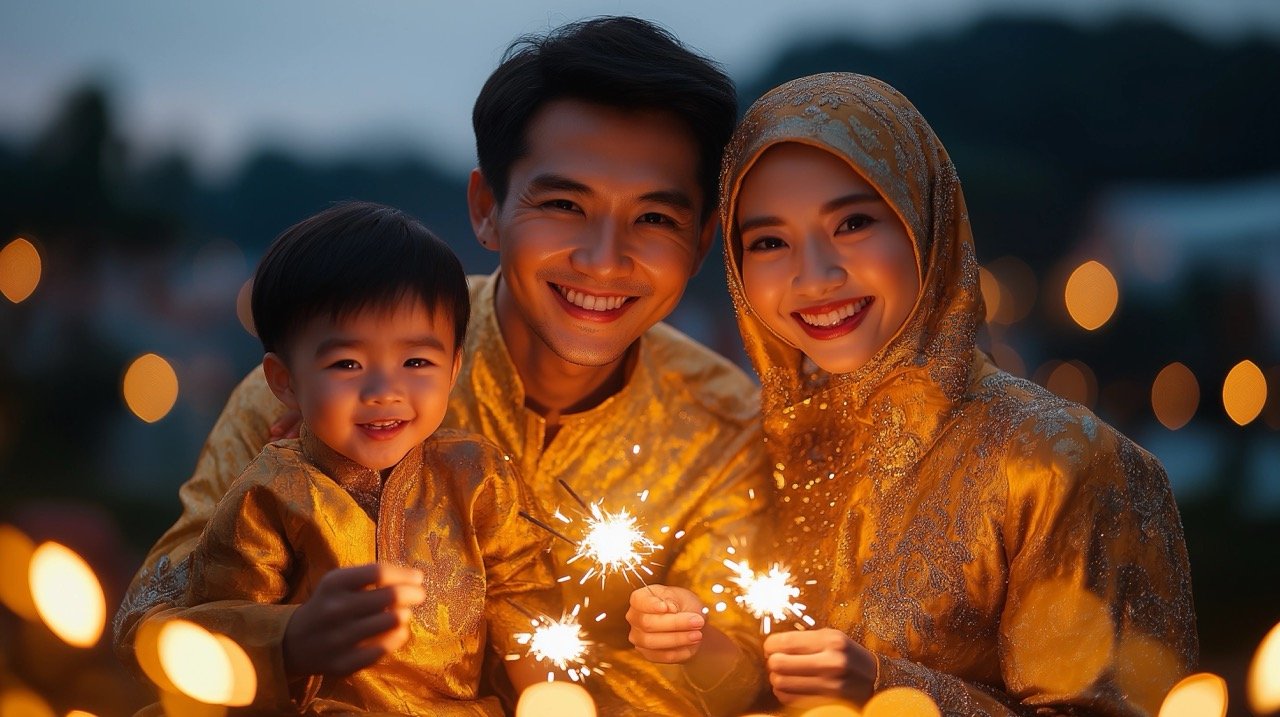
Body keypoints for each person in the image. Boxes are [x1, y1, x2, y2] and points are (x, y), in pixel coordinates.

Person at [114, 17, 769, 716]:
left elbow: (730, 675)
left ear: (703, 240)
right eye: (564, 204)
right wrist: (288, 637)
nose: (604, 257)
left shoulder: (723, 423)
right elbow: (146, 630)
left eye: (654, 219)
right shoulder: (332, 380)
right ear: (487, 210)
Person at [631, 72, 1197, 715]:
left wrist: (885, 687)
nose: (814, 275)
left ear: (924, 220)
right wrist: (697, 644)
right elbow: (758, 689)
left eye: (852, 223)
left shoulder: (1060, 463)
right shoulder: (758, 454)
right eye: (769, 242)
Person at [144, 201, 558, 714]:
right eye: (347, 363)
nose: (384, 390)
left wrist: (549, 687)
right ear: (285, 382)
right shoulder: (270, 493)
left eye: (415, 361)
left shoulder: (478, 477)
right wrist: (292, 640)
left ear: (454, 368)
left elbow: (524, 602)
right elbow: (214, 622)